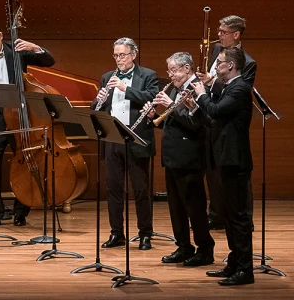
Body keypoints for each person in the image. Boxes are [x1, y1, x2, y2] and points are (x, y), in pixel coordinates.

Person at [0, 22, 55, 228]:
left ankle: (21, 211)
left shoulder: (17, 52)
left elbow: (49, 61)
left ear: (1, 36)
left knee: (25, 163)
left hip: (20, 117)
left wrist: (34, 47)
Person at [190, 47, 254, 286]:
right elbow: (214, 119)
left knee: (238, 217)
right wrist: (195, 107)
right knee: (228, 217)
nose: (216, 66)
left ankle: (245, 270)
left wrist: (201, 93)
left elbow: (216, 110)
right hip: (224, 159)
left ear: (231, 66)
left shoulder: (240, 88)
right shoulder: (228, 87)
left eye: (219, 62)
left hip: (235, 160)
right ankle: (234, 262)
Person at [94, 38, 160, 250]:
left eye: (122, 55)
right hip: (113, 138)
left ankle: (145, 234)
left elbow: (152, 97)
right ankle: (117, 233)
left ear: (133, 54)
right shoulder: (106, 77)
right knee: (113, 188)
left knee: (141, 189)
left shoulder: (147, 75)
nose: (118, 59)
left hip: (137, 138)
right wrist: (99, 101)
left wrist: (124, 88)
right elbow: (97, 109)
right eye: (115, 55)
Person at [150, 52, 214, 266]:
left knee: (194, 207)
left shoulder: (198, 88)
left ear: (187, 69)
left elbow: (196, 124)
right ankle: (184, 246)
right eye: (169, 71)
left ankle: (205, 249)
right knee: (176, 207)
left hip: (190, 157)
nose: (171, 75)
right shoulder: (177, 90)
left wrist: (169, 105)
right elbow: (175, 123)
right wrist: (153, 117)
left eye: (174, 70)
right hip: (173, 156)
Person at [200, 15, 256, 230]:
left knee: (234, 177)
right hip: (209, 117)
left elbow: (236, 91)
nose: (219, 35)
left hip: (228, 122)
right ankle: (216, 215)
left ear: (236, 34)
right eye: (219, 31)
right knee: (213, 170)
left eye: (223, 32)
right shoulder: (216, 51)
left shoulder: (248, 63)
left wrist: (210, 83)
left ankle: (242, 219)